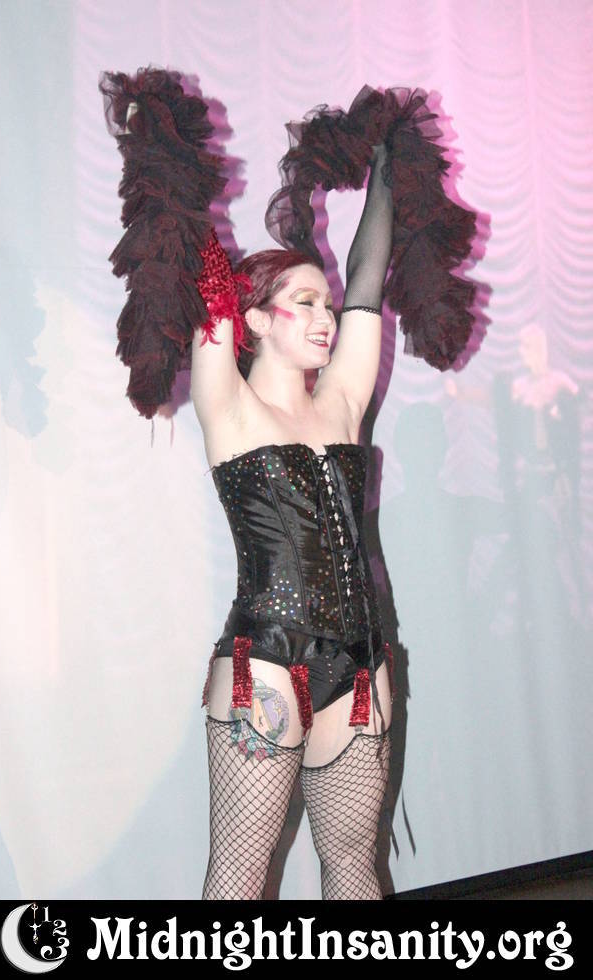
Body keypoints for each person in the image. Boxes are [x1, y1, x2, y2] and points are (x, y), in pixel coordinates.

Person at [99, 65, 477, 900]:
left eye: (325, 305)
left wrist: (389, 163)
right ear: (254, 319)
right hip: (264, 662)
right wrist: (171, 160)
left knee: (355, 864)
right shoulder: (230, 408)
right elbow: (209, 282)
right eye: (302, 303)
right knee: (241, 873)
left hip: (361, 662)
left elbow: (369, 275)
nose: (324, 317)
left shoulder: (341, 403)